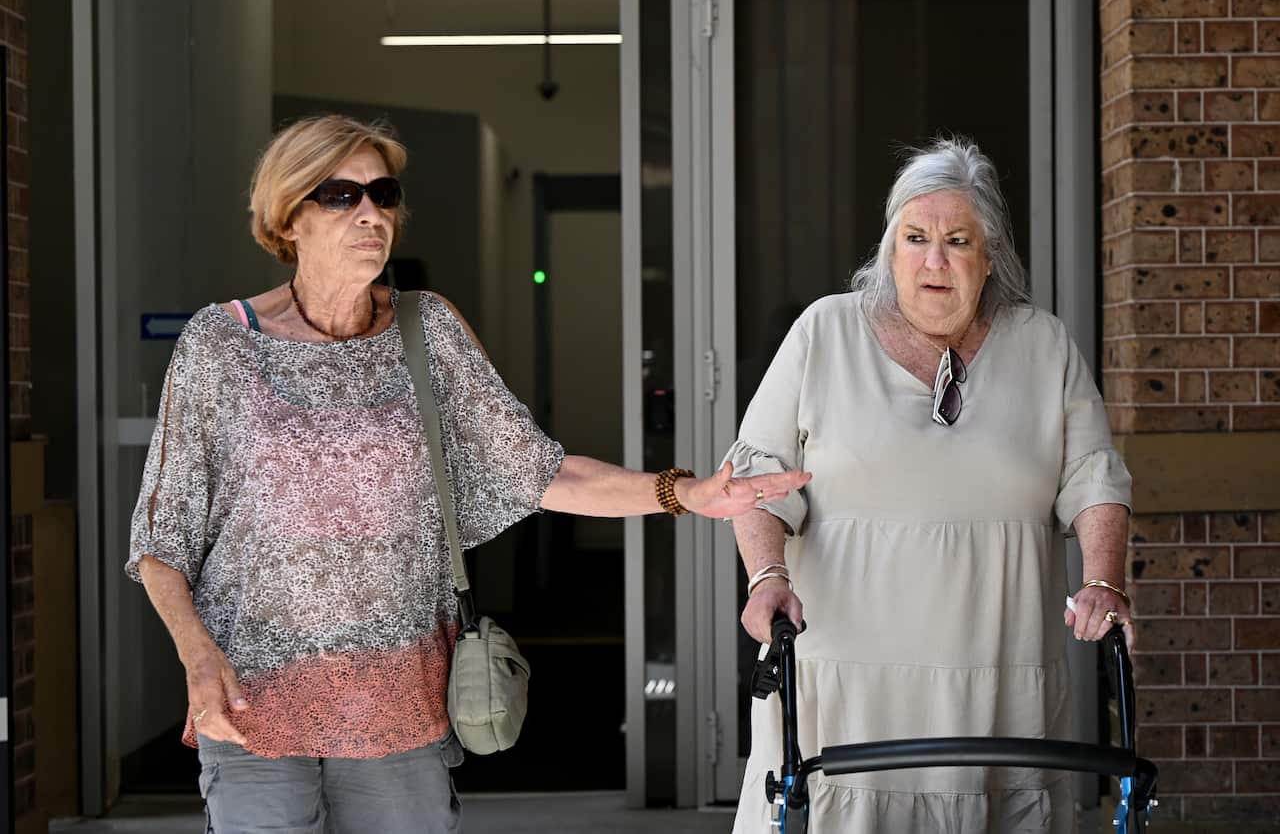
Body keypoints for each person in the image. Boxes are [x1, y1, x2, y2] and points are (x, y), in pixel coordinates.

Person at [126, 114, 809, 834]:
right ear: (288, 217)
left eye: (384, 194)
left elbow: (540, 472)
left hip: (399, 705)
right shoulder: (220, 345)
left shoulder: (427, 330)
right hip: (253, 702)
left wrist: (684, 493)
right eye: (342, 196)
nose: (371, 213)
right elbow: (162, 537)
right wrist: (197, 658)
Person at [726, 137, 1133, 833]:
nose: (934, 260)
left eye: (957, 241)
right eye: (915, 238)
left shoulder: (1043, 346)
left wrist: (1104, 580)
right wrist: (766, 574)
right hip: (849, 684)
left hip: (1001, 679)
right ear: (890, 249)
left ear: (990, 255)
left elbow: (1094, 475)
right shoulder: (824, 333)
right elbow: (759, 471)